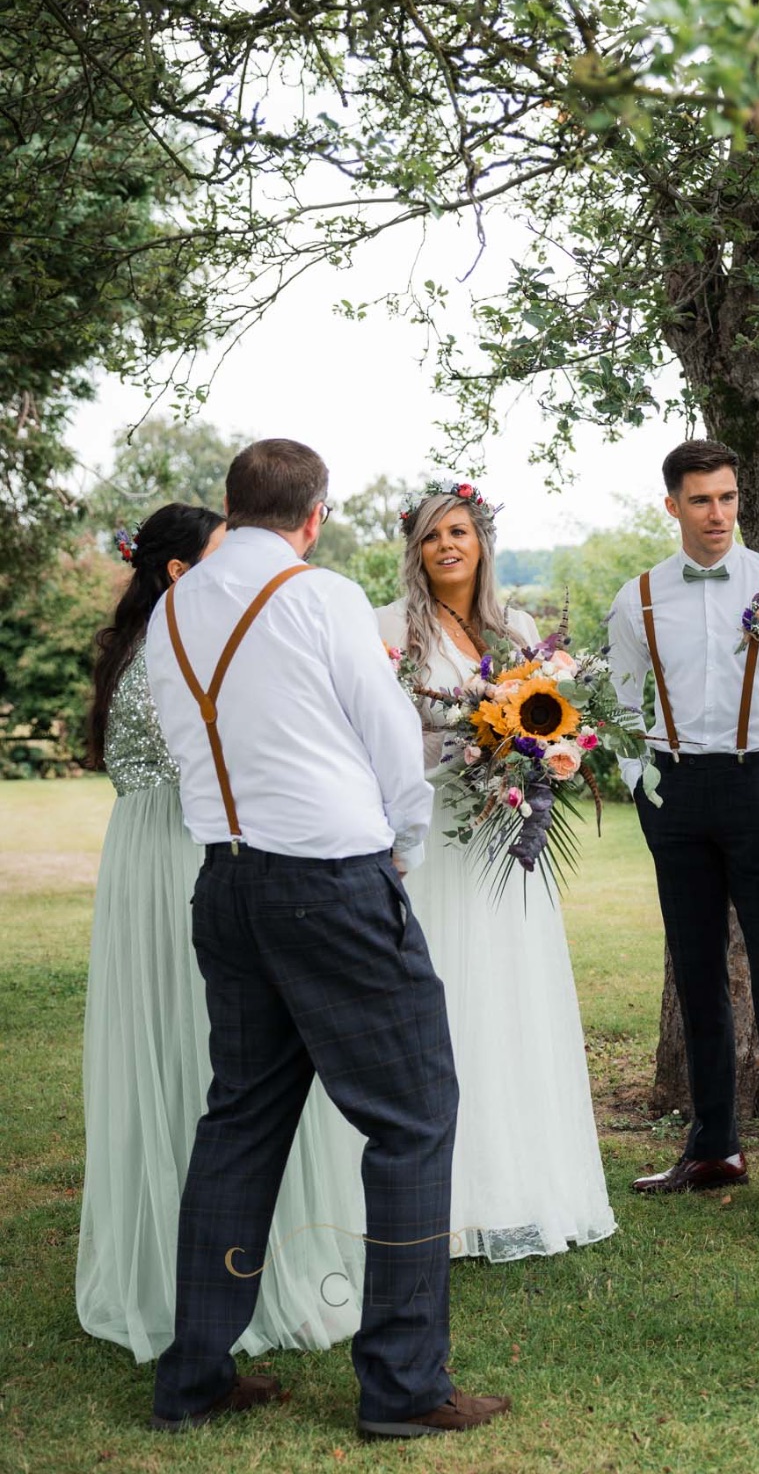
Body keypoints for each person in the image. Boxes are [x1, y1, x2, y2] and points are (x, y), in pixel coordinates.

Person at [144, 440, 510, 1441]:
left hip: (225, 881)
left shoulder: (173, 606)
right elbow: (391, 737)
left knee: (241, 1123)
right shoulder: (321, 597)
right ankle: (403, 1385)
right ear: (314, 516)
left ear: (234, 507)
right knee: (415, 1116)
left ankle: (196, 1376)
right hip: (328, 885)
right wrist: (404, 842)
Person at [76, 502, 365, 1364]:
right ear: (178, 572)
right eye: (217, 555)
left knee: (181, 1051)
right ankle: (238, 1275)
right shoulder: (186, 643)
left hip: (142, 852)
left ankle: (185, 1263)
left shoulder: (141, 646)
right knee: (230, 1058)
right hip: (189, 851)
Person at [374, 480, 616, 1263]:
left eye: (461, 532)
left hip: (507, 837)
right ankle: (440, 1196)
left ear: (481, 543)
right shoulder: (390, 630)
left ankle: (513, 1187)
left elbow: (546, 712)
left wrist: (538, 754)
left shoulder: (515, 628)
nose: (448, 545)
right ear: (415, 551)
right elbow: (380, 733)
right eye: (433, 535)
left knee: (509, 1001)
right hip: (434, 835)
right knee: (440, 1002)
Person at [607, 439, 759, 1221]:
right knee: (698, 976)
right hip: (676, 796)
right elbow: (623, 708)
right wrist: (643, 788)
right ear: (672, 505)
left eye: (728, 498)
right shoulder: (636, 598)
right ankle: (714, 1147)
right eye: (701, 500)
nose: (717, 514)